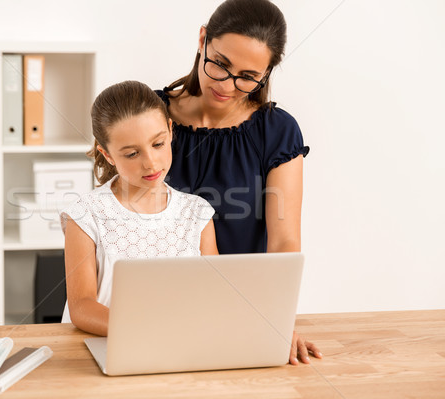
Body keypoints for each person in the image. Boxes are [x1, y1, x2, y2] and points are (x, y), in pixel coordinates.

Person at [158, 0, 321, 364]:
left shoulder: (277, 131)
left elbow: (284, 241)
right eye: (220, 64)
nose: (228, 86)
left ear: (266, 74)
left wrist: (277, 320)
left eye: (248, 76)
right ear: (203, 40)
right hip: (155, 309)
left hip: (240, 314)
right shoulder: (149, 115)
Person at [60, 80, 219, 337]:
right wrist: (146, 330)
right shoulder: (85, 215)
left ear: (170, 130)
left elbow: (214, 294)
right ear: (108, 155)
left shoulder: (197, 213)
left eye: (158, 144)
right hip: (107, 346)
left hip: (179, 346)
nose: (151, 163)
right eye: (132, 154)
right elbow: (82, 307)